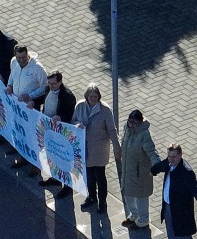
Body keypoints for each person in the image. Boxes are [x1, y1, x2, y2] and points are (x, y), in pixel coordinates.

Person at [71, 83, 121, 214]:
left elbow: (112, 130)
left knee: (100, 175)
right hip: (84, 146)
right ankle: (91, 196)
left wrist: (117, 147)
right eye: (91, 96)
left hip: (99, 148)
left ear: (99, 96)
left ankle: (102, 201)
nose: (93, 98)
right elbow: (73, 120)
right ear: (86, 96)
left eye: (95, 96)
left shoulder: (105, 110)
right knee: (88, 174)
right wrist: (78, 124)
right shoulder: (80, 106)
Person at [35, 70, 76, 198]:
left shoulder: (67, 96)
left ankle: (68, 186)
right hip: (49, 130)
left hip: (61, 133)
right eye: (49, 83)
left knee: (63, 159)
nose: (51, 86)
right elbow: (44, 100)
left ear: (60, 82)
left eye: (53, 84)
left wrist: (60, 117)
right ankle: (56, 178)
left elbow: (70, 115)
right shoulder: (49, 89)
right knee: (52, 155)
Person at [5, 45, 47, 168]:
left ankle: (36, 165)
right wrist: (9, 85)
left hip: (30, 107)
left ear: (28, 55)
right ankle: (21, 154)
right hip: (17, 105)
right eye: (19, 58)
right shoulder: (14, 62)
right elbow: (12, 76)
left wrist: (30, 96)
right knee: (19, 129)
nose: (21, 60)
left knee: (31, 134)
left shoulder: (37, 68)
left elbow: (45, 87)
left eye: (24, 57)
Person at [120, 110, 160, 230]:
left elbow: (152, 152)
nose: (131, 124)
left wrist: (156, 165)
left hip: (140, 173)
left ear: (140, 122)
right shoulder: (126, 128)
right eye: (130, 121)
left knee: (141, 197)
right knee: (128, 193)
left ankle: (143, 220)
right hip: (127, 169)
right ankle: (134, 215)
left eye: (135, 122)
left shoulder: (144, 134)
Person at [151, 143, 197, 238]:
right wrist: (152, 171)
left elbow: (195, 190)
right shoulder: (169, 163)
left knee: (183, 236)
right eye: (169, 156)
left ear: (180, 155)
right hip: (168, 208)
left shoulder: (187, 173)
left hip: (181, 214)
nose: (171, 159)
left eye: (173, 157)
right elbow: (160, 166)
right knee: (170, 233)